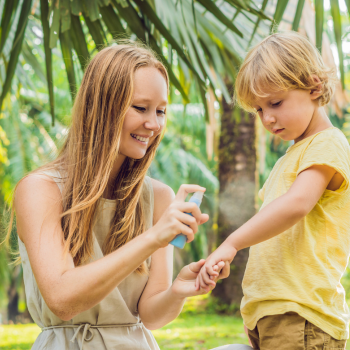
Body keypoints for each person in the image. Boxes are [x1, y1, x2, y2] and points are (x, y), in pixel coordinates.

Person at [7, 43, 229, 350]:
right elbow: (62, 299)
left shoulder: (158, 197)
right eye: (140, 108)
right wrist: (153, 237)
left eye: (161, 111)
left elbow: (150, 315)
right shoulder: (41, 190)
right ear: (101, 106)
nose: (154, 124)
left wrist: (179, 289)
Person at [196, 31, 350, 349]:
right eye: (258, 110)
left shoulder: (328, 143)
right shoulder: (290, 158)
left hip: (302, 314)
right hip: (271, 314)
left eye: (275, 103)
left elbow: (296, 205)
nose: (267, 118)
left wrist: (232, 243)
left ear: (314, 86)